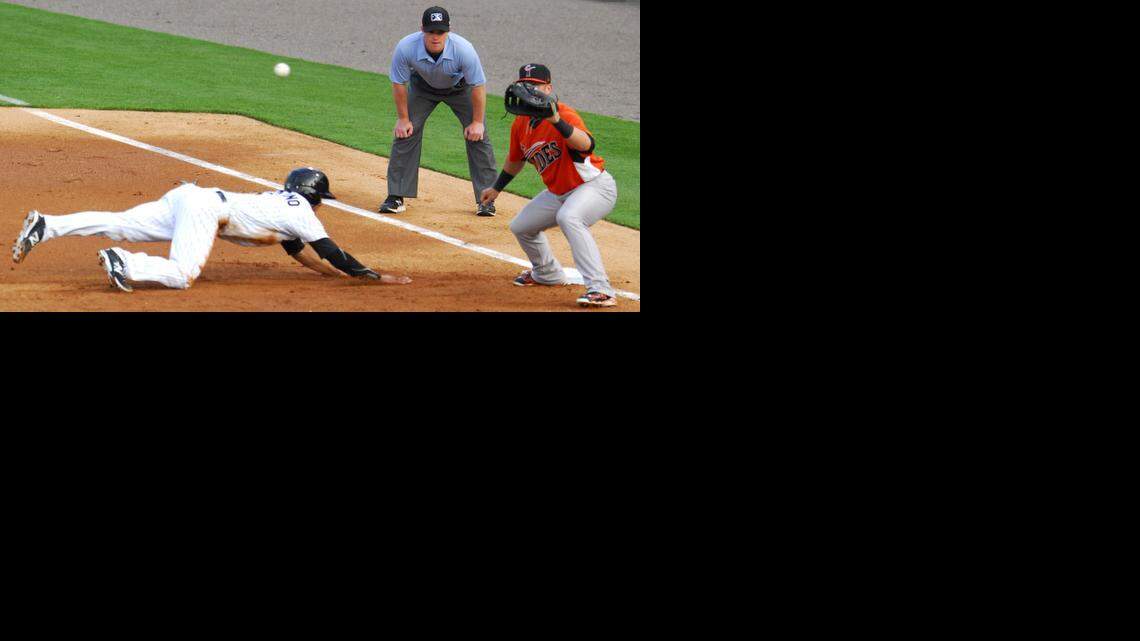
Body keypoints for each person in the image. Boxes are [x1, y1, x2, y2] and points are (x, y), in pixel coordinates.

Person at [11, 168, 411, 292]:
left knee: (121, 223)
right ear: (312, 195)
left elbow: (301, 254)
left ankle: (48, 224)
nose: (321, 204)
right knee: (182, 274)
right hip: (205, 209)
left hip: (190, 196)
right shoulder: (302, 210)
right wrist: (373, 277)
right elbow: (331, 252)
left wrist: (333, 276)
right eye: (321, 198)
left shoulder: (279, 205)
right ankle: (125, 264)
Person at [480, 64, 619, 308]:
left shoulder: (563, 113)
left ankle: (601, 289)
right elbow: (515, 161)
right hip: (560, 193)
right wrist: (496, 188)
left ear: (548, 88)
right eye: (525, 85)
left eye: (535, 85)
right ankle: (546, 273)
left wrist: (556, 121)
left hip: (594, 187)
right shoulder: (521, 124)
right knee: (521, 226)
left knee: (570, 217)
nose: (529, 90)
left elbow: (587, 145)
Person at [380, 6, 498, 217]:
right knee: (405, 132)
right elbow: (399, 84)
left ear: (448, 30)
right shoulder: (406, 47)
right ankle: (396, 196)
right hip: (422, 87)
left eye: (441, 32)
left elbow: (478, 86)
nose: (436, 37)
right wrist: (403, 119)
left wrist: (477, 122)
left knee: (478, 136)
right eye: (431, 31)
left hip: (460, 89)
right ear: (422, 29)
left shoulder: (464, 49)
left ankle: (486, 200)